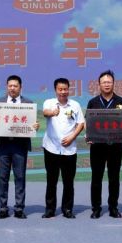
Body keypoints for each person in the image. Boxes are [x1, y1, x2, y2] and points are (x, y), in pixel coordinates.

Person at [86, 70, 122, 219]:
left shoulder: (121, 101)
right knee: (96, 178)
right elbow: (89, 123)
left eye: (109, 82)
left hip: (115, 147)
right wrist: (88, 136)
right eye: (104, 82)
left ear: (113, 84)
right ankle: (96, 208)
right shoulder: (93, 102)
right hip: (97, 147)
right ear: (99, 84)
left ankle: (113, 207)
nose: (107, 84)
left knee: (114, 178)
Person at [0, 75, 39, 219]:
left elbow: (32, 124)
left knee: (20, 177)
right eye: (10, 86)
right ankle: (3, 208)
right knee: (3, 177)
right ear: (7, 87)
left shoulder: (28, 103)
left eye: (15, 86)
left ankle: (19, 208)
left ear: (20, 87)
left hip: (20, 145)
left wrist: (35, 126)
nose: (12, 88)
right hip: (3, 145)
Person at [42, 78, 85, 219]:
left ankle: (67, 209)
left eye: (65, 89)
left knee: (68, 182)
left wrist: (72, 137)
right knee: (51, 180)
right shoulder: (49, 103)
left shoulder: (75, 105)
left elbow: (80, 123)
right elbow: (45, 112)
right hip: (51, 148)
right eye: (60, 89)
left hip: (69, 149)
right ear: (55, 90)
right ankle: (50, 209)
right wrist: (53, 113)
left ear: (69, 89)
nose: (63, 92)